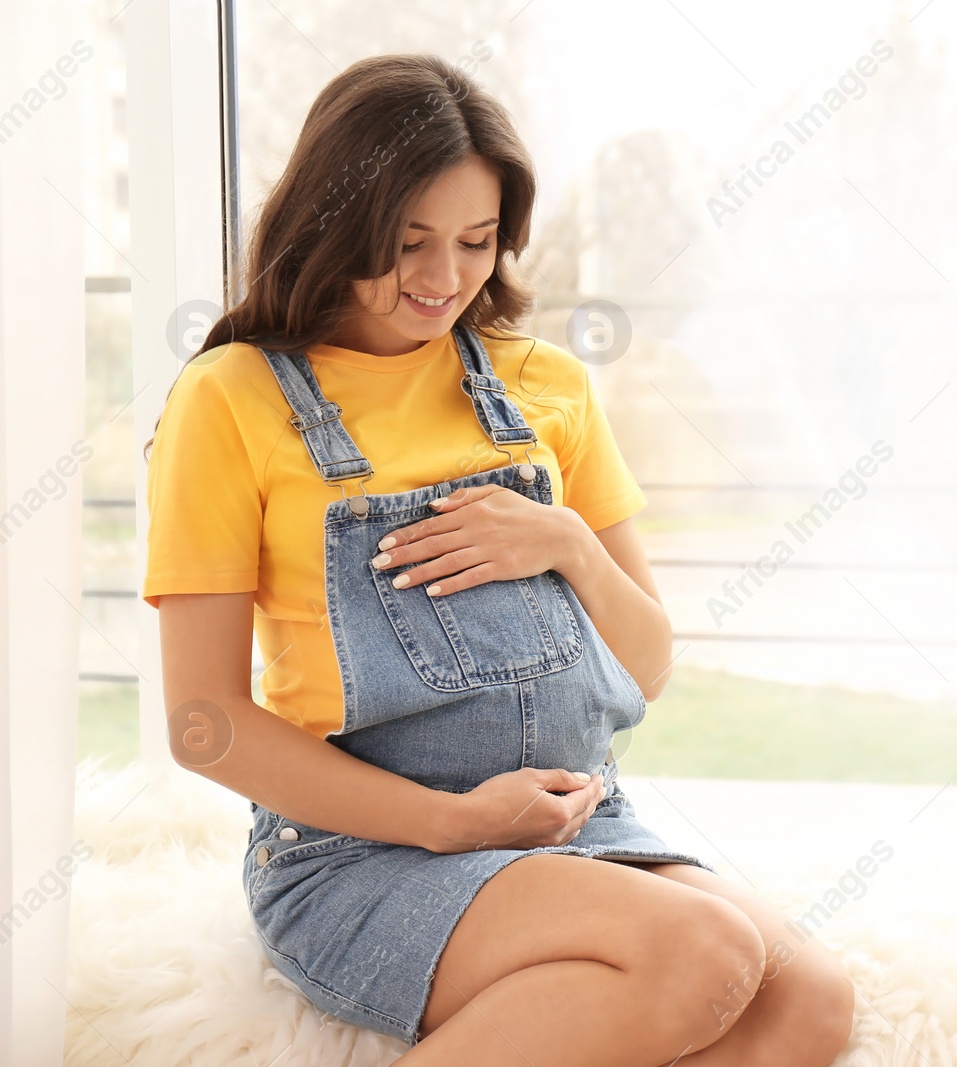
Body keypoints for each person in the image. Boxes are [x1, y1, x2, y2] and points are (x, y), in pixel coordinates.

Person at [141, 53, 855, 1065]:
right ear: (332, 226)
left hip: (577, 823)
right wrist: (450, 821)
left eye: (475, 243)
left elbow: (645, 665)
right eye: (405, 245)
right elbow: (204, 726)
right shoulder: (232, 397)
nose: (442, 280)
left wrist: (566, 544)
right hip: (364, 853)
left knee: (809, 1002)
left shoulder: (542, 384)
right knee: (700, 950)